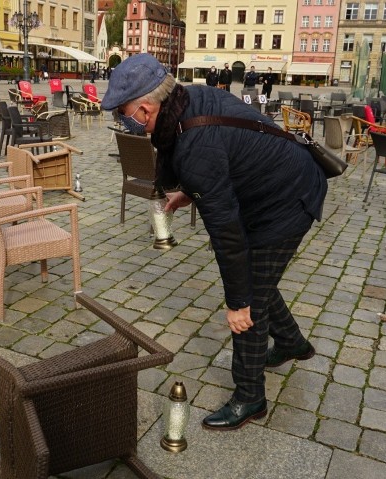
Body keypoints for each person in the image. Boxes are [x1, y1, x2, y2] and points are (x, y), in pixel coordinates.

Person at [101, 54, 327, 431]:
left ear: (144, 109)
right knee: (261, 278)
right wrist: (190, 190)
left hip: (287, 200)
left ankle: (250, 397)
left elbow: (226, 233)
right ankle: (291, 343)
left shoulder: (195, 149)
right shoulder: (187, 99)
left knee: (251, 296)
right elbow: (219, 151)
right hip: (269, 186)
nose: (121, 121)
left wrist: (238, 303)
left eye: (121, 113)